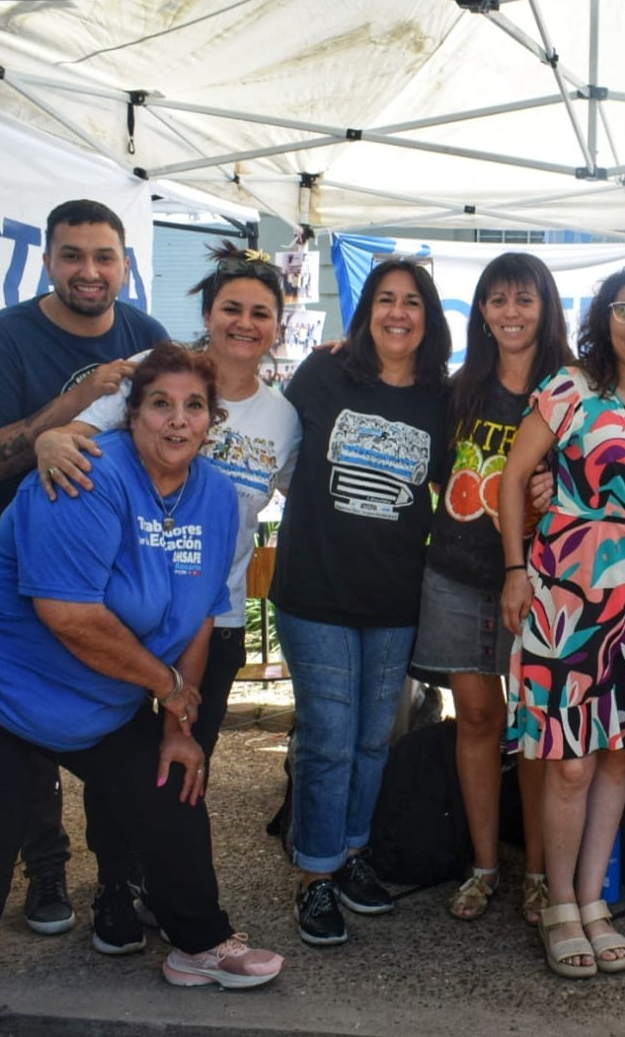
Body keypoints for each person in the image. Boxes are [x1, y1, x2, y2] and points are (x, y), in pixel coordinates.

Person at [0, 343, 283, 1035]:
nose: (177, 420)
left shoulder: (215, 498)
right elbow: (69, 615)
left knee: (171, 787)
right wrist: (168, 686)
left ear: (212, 422)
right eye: (160, 404)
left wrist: (177, 725)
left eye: (193, 406)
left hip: (93, 685)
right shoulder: (86, 470)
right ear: (131, 415)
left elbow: (202, 613)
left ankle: (200, 945)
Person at [32, 243, 300, 953]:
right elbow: (74, 441)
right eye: (231, 308)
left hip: (215, 616)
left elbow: (303, 498)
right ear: (208, 315)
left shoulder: (284, 418)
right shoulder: (156, 376)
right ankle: (113, 888)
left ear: (277, 327)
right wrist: (50, 440)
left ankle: (162, 886)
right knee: (118, 756)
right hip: (126, 616)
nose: (245, 323)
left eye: (261, 313)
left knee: (180, 762)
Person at [0, 199, 168, 939]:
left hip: (115, 577)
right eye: (72, 255)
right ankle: (45, 868)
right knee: (22, 734)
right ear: (47, 260)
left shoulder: (147, 335)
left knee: (118, 726)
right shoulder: (5, 337)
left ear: (124, 265)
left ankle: (118, 877)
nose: (89, 270)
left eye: (104, 256)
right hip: (20, 574)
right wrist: (74, 404)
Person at [498, 267, 625, 978]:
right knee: (570, 761)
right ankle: (557, 906)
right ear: (603, 321)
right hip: (567, 600)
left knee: (615, 757)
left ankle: (591, 901)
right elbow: (513, 478)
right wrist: (514, 570)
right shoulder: (572, 387)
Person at [274, 258, 451, 948]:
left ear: (428, 317)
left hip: (395, 596)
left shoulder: (440, 398)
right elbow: (274, 449)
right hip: (314, 590)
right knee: (328, 739)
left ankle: (350, 855)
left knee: (375, 739)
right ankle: (314, 876)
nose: (397, 312)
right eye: (385, 299)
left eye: (412, 301)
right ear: (367, 310)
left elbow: (460, 484)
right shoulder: (324, 373)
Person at [412, 253, 568, 924]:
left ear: (545, 307)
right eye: (497, 299)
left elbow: (598, 472)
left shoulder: (569, 388)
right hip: (454, 574)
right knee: (476, 718)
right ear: (480, 311)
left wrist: (559, 485)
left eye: (523, 299)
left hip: (540, 581)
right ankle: (483, 867)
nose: (510, 312)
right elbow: (437, 474)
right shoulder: (458, 390)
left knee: (533, 729)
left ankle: (537, 872)